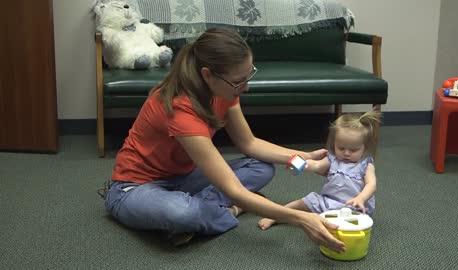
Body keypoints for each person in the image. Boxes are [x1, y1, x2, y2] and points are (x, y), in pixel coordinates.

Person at [103, 27, 345, 252]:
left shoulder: (223, 90)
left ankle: (208, 212)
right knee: (182, 213)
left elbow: (250, 144)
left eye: (248, 75)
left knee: (260, 167)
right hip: (134, 188)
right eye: (239, 81)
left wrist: (306, 159)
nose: (246, 87)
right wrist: (301, 218)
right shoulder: (179, 107)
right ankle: (226, 211)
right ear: (207, 75)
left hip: (184, 178)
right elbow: (233, 189)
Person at [258, 110, 381, 230]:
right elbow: (316, 165)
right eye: (341, 148)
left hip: (354, 207)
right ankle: (275, 216)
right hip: (327, 202)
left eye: (353, 150)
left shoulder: (366, 164)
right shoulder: (333, 159)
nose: (346, 153)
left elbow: (371, 184)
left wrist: (361, 198)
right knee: (303, 202)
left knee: (347, 228)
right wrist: (303, 164)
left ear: (364, 148)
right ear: (334, 144)